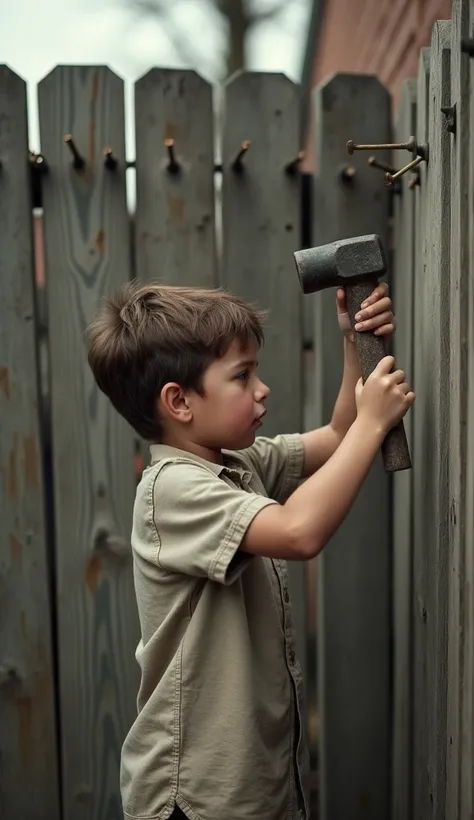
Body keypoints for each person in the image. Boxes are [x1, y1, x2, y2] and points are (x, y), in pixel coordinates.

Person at [87, 280, 414, 820]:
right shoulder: (172, 489)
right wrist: (375, 423)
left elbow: (337, 435)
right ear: (179, 401)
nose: (262, 389)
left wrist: (355, 341)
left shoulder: (235, 465)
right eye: (242, 376)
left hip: (250, 784)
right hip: (194, 797)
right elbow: (297, 532)